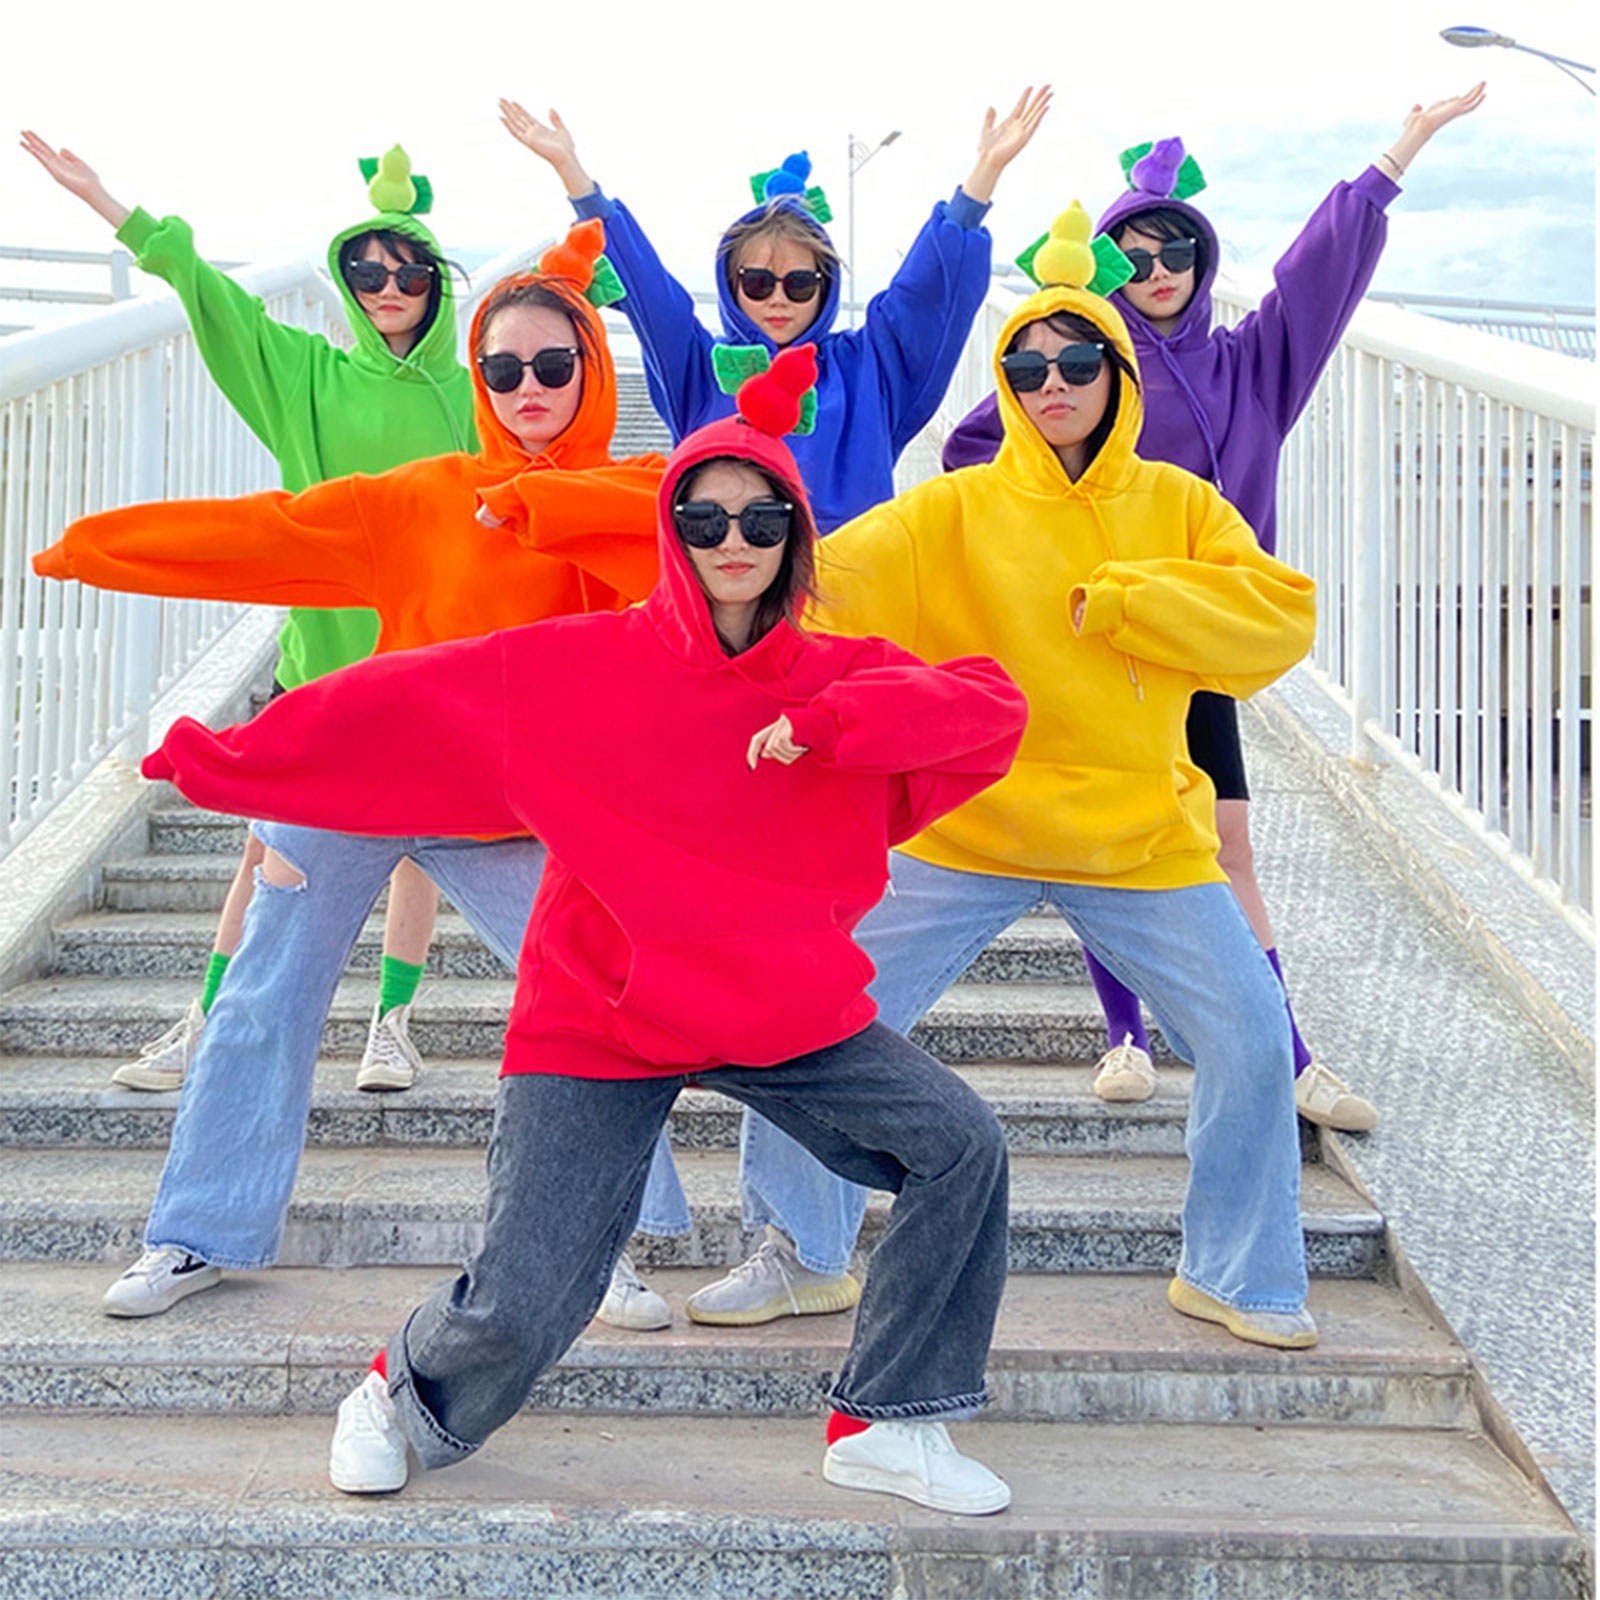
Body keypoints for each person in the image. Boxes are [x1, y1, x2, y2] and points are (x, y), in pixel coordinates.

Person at [138, 348, 1031, 1515]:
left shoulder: (837, 672)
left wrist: (833, 724)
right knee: (530, 1292)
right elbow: (394, 699)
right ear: (670, 530)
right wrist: (226, 758)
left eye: (760, 516)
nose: (732, 539)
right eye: (702, 518)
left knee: (960, 1144)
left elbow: (989, 707)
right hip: (601, 1013)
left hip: (779, 1007)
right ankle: (395, 1392)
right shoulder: (579, 664)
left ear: (793, 533)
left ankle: (888, 1422)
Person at [32, 223, 689, 1332]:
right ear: (478, 378)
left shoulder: (646, 499)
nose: (528, 387)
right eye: (503, 369)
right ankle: (198, 1232)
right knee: (262, 993)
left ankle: (603, 1244)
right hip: (362, 783)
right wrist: (100, 547)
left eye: (552, 363)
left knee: (601, 1005)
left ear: (591, 367)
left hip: (512, 813)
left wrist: (560, 505)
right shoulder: (425, 495)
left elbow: (732, 565)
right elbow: (271, 532)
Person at [713, 204, 1322, 1350]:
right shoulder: (950, 510)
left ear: (1116, 371)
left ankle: (1239, 1276)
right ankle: (799, 1252)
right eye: (1028, 366)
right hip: (963, 828)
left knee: (1249, 1031)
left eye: (1075, 361)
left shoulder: (1180, 507)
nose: (1052, 384)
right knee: (804, 994)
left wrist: (1135, 601)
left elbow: (1278, 619)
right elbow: (815, 588)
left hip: (1138, 839)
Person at [941, 87, 1486, 1130]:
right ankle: (1123, 1035)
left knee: (1226, 839)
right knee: (1108, 838)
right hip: (1101, 640)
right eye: (1131, 255)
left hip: (1193, 642)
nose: (1154, 272)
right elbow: (981, 447)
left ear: (1201, 260)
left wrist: (1397, 153)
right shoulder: (1088, 365)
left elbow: (1315, 281)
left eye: (1175, 252)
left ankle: (1288, 1055)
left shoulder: (1250, 365)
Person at [20, 132, 477, 1094]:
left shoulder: (475, 388)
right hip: (324, 656)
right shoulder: (307, 374)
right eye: (366, 270)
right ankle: (205, 1021)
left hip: (434, 661)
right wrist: (114, 207)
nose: (387, 288)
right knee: (267, 843)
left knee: (418, 849)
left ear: (435, 281)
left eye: (407, 270)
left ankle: (392, 1024)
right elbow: (214, 299)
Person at [499, 87, 1049, 530]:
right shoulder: (702, 370)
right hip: (727, 596)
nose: (778, 298)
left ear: (825, 287)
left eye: (800, 283)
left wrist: (981, 180)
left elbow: (924, 296)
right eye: (758, 282)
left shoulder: (868, 368)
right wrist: (574, 175)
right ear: (732, 286)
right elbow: (649, 290)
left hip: (843, 594)